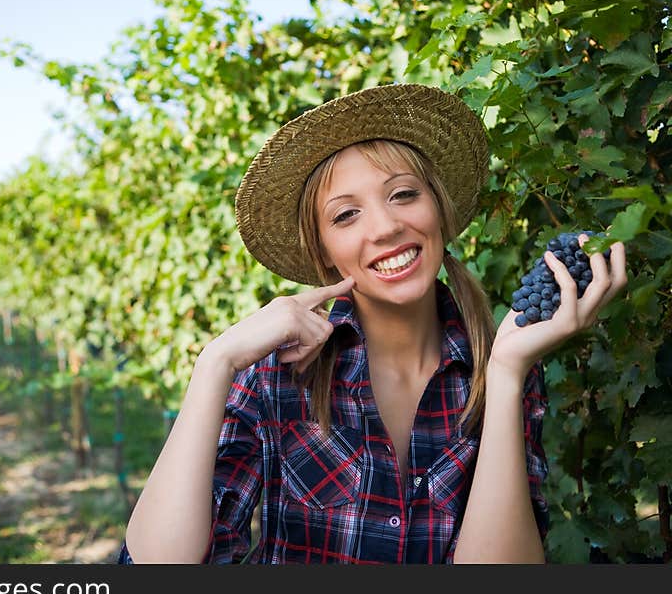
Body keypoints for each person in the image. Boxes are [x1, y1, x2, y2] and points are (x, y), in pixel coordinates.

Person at [118, 84, 628, 563]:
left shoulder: (499, 367)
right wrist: (216, 362)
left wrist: (507, 373)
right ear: (323, 252)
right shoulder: (280, 373)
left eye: (403, 194)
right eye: (345, 216)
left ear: (439, 209)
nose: (385, 227)